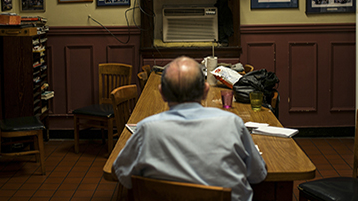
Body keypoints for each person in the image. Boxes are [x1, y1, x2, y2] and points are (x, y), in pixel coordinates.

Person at [112, 56, 267, 201]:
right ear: (205, 91)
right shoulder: (232, 123)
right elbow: (257, 174)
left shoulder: (146, 129)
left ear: (162, 93)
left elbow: (122, 174)